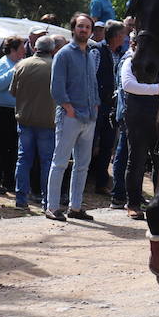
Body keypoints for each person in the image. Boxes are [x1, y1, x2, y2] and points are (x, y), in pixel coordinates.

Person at [46, 13, 100, 221]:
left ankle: (75, 207)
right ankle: (52, 207)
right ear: (73, 29)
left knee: (82, 165)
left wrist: (95, 107)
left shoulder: (90, 54)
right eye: (80, 26)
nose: (84, 30)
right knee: (60, 163)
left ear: (91, 31)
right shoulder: (64, 54)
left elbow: (93, 85)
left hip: (89, 117)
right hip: (70, 116)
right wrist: (68, 109)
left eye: (87, 27)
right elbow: (56, 88)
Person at [120, 34, 159, 219]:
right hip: (137, 118)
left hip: (158, 118)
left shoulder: (158, 63)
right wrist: (157, 90)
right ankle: (133, 204)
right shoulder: (128, 61)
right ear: (134, 44)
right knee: (136, 161)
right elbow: (128, 85)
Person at [11, 34, 58, 210]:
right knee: (47, 162)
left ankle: (20, 199)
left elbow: (13, 92)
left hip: (25, 120)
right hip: (47, 121)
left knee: (23, 160)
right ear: (52, 49)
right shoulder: (55, 67)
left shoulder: (22, 65)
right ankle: (47, 201)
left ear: (35, 47)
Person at [88, 21, 126, 196]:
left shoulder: (121, 54)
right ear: (116, 36)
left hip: (112, 108)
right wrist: (94, 103)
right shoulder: (96, 51)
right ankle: (83, 182)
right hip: (97, 106)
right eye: (123, 34)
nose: (125, 37)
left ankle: (101, 183)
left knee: (107, 146)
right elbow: (91, 79)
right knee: (88, 144)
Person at [0, 35, 25, 196]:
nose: (24, 50)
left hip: (15, 109)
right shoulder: (3, 63)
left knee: (13, 146)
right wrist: (13, 71)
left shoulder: (18, 63)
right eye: (21, 48)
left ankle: (9, 181)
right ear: (13, 49)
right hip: (2, 108)